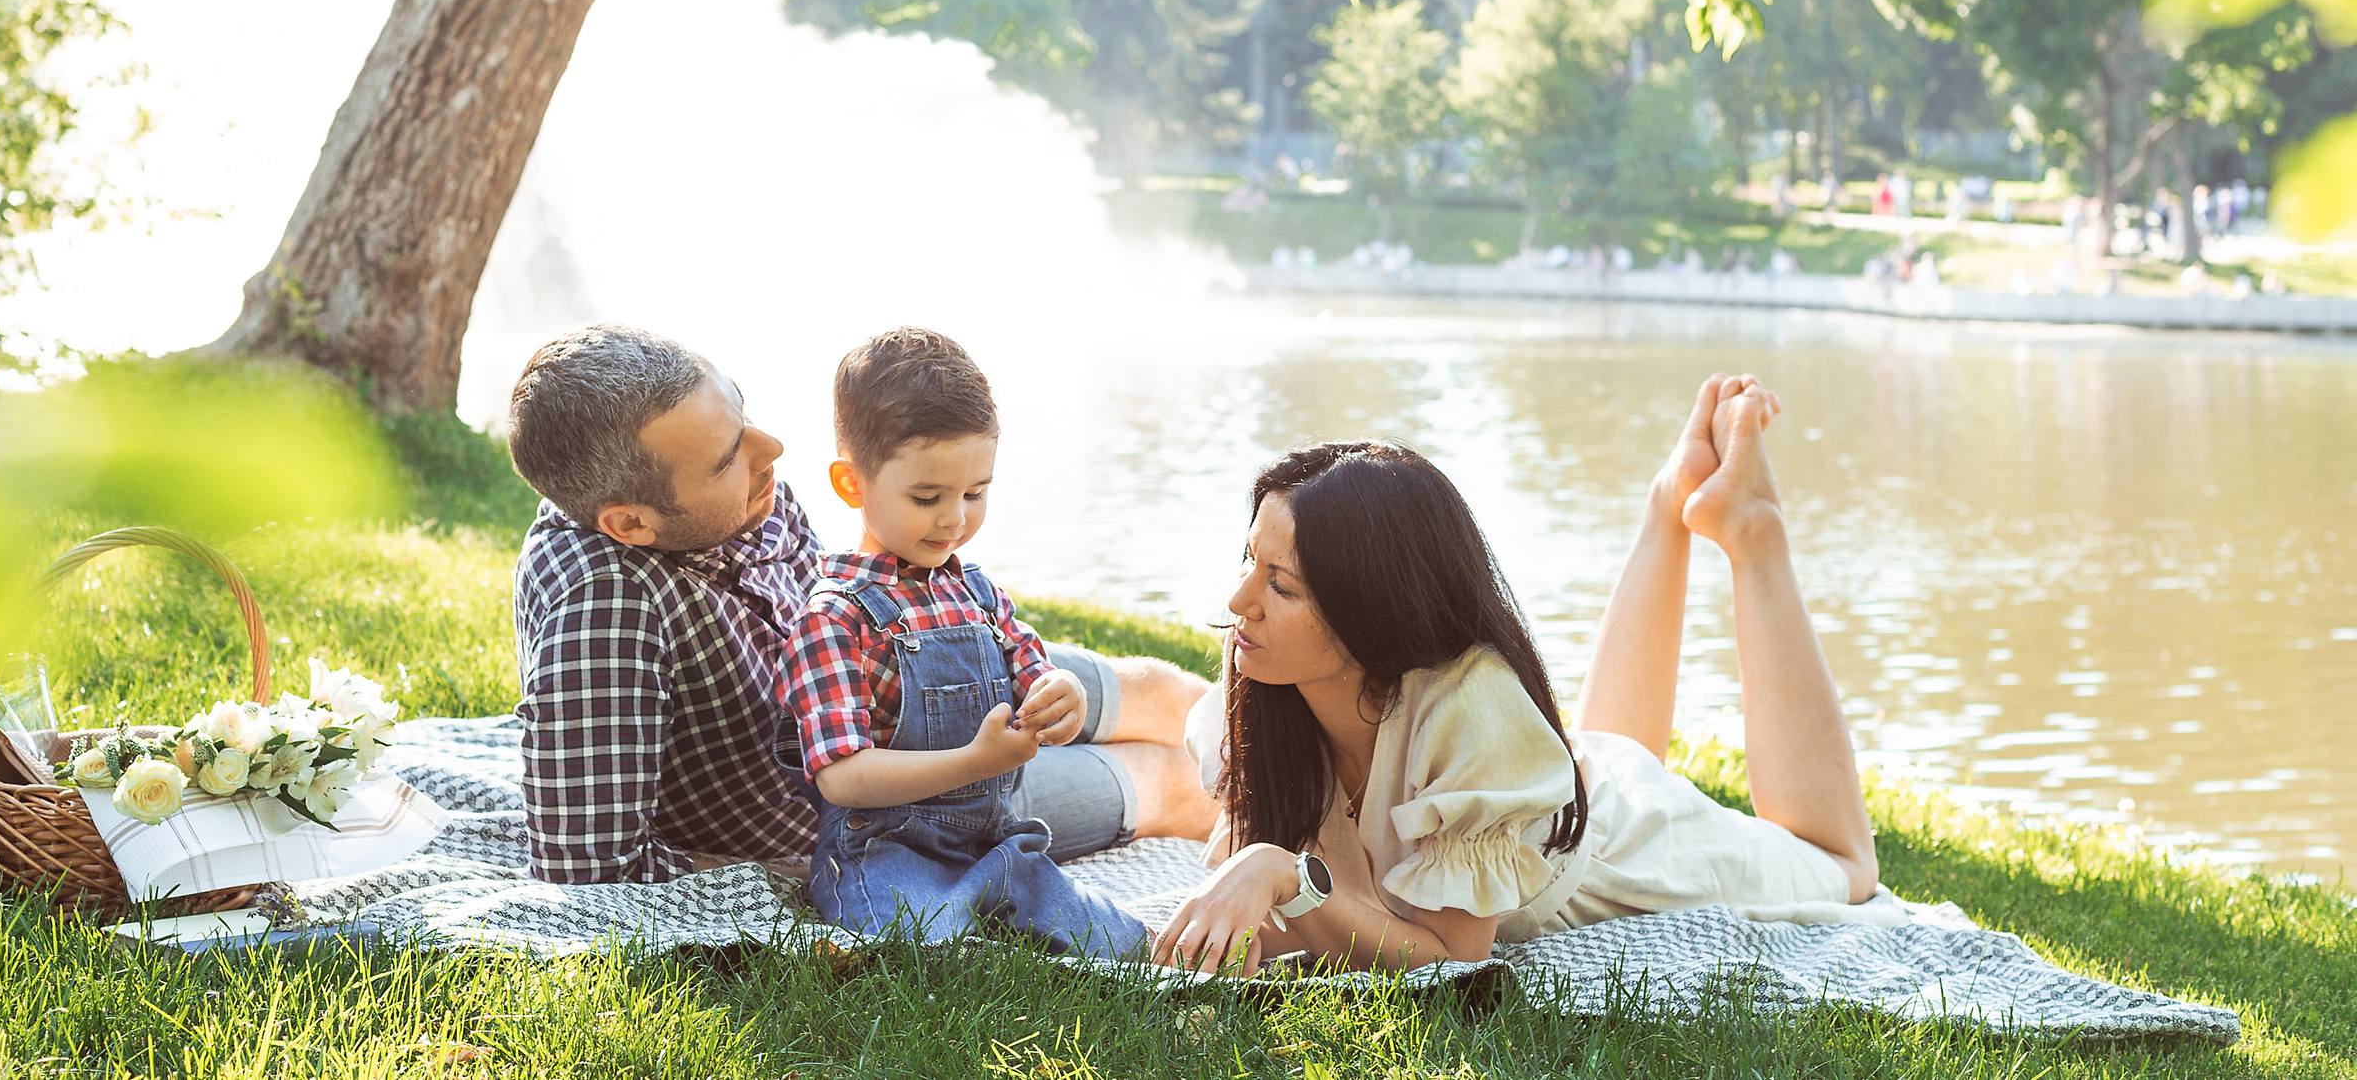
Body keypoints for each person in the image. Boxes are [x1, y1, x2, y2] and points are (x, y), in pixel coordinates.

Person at [1152, 373, 1877, 975]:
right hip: (1561, 780)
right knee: (1603, 747)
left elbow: (1450, 958)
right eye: (1250, 559)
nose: (1238, 601)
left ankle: (1754, 528)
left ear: (1369, 613)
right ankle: (1669, 503)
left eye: (1282, 585)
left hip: (1634, 842)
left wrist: (1283, 874)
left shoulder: (1472, 706)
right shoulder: (1265, 696)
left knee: (1843, 864)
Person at [504, 323, 1215, 883]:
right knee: (1176, 781)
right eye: (728, 457)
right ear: (631, 522)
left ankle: (1323, 772)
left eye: (742, 415)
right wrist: (784, 878)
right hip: (891, 803)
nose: (771, 448)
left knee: (1163, 692)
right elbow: (587, 871)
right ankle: (1302, 858)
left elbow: (844, 589)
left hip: (894, 662)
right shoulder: (600, 611)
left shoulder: (740, 488)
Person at [781, 328, 1145, 956]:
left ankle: (1004, 897)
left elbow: (1034, 673)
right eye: (928, 497)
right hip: (885, 850)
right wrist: (974, 763)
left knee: (1117, 943)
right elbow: (842, 777)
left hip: (995, 839)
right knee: (924, 947)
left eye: (976, 493)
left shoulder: (976, 591)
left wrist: (1063, 700)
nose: (955, 518)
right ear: (850, 484)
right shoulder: (834, 619)